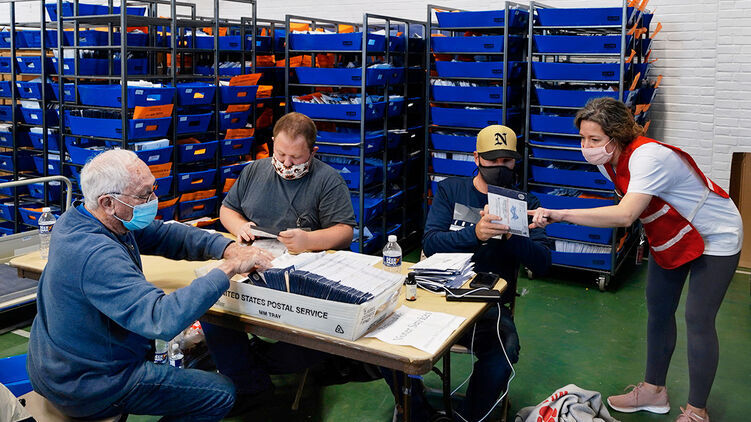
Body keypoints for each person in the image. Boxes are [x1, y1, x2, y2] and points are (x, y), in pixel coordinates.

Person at [527, 97, 743, 422]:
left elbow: (625, 215)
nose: (586, 147)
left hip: (716, 233)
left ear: (616, 136)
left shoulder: (648, 157)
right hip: (672, 231)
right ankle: (654, 391)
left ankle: (697, 411)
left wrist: (561, 213)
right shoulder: (609, 160)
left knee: (698, 319)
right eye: (583, 138)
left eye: (594, 139)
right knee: (658, 310)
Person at [26, 149, 274, 421]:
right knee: (221, 393)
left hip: (62, 364)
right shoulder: (94, 253)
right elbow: (161, 319)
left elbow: (163, 234)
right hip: (89, 384)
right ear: (108, 202)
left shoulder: (86, 218)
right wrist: (228, 268)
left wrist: (226, 248)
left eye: (153, 189)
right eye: (144, 195)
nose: (154, 200)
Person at [200, 111, 358, 410]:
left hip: (302, 273)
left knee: (305, 343)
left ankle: (254, 365)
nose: (286, 163)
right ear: (272, 143)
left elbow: (344, 232)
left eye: (296, 158)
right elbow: (227, 210)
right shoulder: (254, 171)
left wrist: (308, 240)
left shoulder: (327, 180)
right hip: (252, 262)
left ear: (313, 151)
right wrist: (239, 226)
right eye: (280, 154)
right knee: (212, 309)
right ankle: (250, 386)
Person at [394, 125, 551, 422]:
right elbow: (431, 242)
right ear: (476, 158)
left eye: (507, 161)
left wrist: (511, 234)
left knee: (505, 350)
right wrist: (475, 234)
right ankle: (417, 411)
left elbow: (543, 262)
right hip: (437, 295)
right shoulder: (451, 190)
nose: (500, 167)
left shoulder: (525, 203)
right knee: (382, 338)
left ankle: (470, 417)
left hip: (486, 305)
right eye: (492, 160)